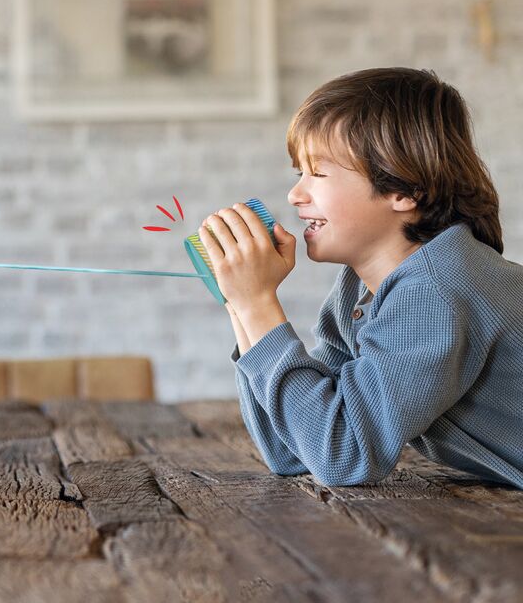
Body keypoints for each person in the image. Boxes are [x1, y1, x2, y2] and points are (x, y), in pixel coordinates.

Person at [199, 67, 523, 488]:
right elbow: (296, 449)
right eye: (300, 173)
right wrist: (240, 303)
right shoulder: (361, 286)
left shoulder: (436, 291)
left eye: (318, 173)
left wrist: (256, 305)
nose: (296, 194)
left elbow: (344, 454)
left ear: (404, 191)